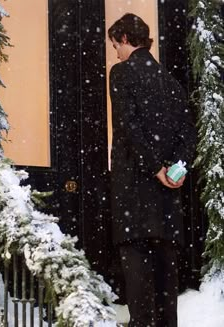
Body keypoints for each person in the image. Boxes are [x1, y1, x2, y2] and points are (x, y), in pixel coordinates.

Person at [108, 13, 196, 327]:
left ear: (126, 40)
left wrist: (154, 166)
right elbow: (188, 133)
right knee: (165, 286)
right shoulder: (171, 82)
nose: (116, 52)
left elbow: (128, 127)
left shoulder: (121, 73)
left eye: (116, 44)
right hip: (167, 202)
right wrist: (176, 169)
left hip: (134, 194)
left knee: (138, 284)